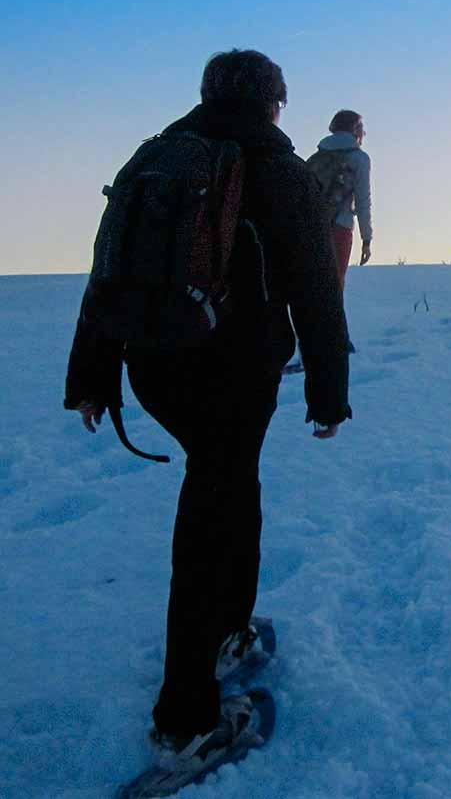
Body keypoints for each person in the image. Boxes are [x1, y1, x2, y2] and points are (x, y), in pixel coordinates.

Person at [64, 50, 352, 762]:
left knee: (228, 483)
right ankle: (186, 713)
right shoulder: (279, 171)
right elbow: (316, 286)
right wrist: (328, 390)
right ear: (275, 103)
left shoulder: (155, 160)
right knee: (210, 513)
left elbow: (108, 269)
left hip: (153, 367)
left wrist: (94, 373)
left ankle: (229, 626)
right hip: (235, 371)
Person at [309, 110, 372, 290]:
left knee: (315, 284)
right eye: (361, 127)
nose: (363, 133)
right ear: (354, 129)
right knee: (335, 284)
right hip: (341, 226)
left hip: (314, 226)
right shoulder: (359, 159)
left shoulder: (317, 156)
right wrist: (366, 239)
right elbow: (363, 202)